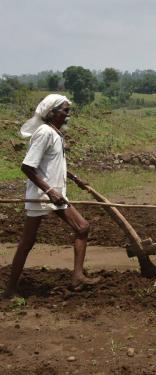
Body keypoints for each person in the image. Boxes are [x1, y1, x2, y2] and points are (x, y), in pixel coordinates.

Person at [3, 94, 100, 298]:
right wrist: (50, 191)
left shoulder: (55, 133)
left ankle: (77, 276)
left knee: (82, 227)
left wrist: (73, 177)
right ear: (52, 112)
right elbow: (27, 167)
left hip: (55, 195)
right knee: (28, 242)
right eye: (65, 110)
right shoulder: (44, 133)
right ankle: (10, 290)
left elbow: (51, 164)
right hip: (42, 196)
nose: (68, 114)